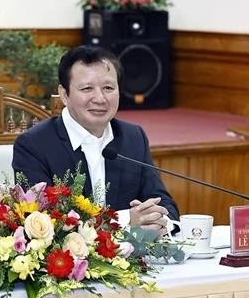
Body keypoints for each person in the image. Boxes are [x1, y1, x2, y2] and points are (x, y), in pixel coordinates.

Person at [12, 45, 179, 236]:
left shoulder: (133, 137)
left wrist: (158, 222)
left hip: (133, 259)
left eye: (108, 88)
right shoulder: (34, 145)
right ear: (65, 94)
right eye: (87, 88)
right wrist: (125, 222)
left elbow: (165, 205)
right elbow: (43, 223)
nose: (99, 98)